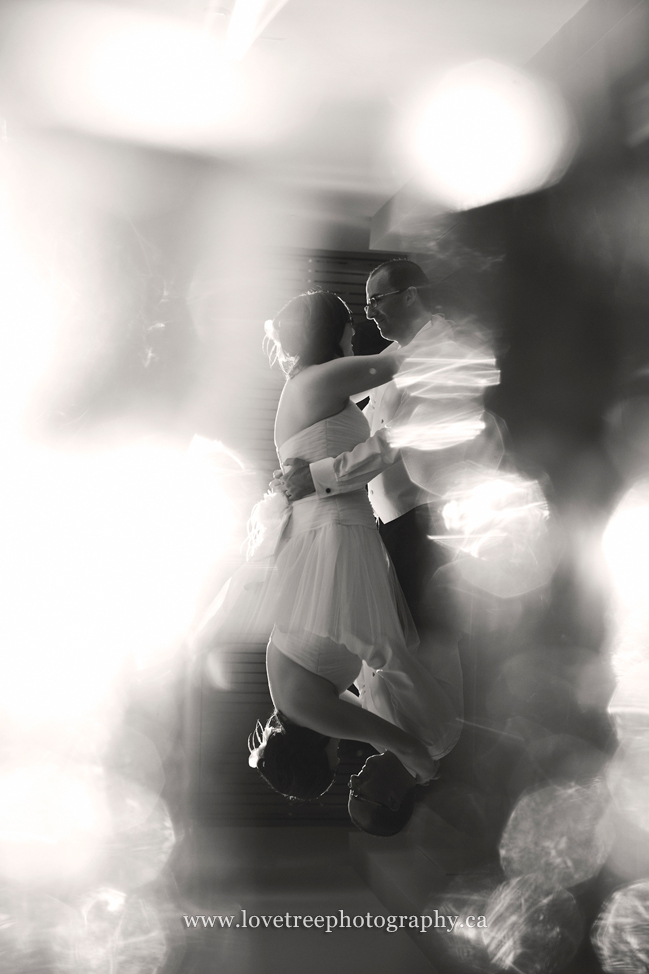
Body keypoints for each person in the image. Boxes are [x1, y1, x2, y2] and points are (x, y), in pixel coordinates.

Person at [246, 289, 459, 818]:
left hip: (332, 535)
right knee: (390, 650)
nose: (344, 754)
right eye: (349, 329)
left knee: (391, 651)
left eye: (333, 761)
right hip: (335, 528)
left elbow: (396, 364)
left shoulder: (314, 381)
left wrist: (424, 763)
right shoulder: (300, 706)